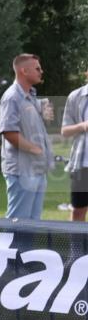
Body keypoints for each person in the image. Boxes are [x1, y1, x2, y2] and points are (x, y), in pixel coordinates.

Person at [0, 53, 53, 220]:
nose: (41, 71)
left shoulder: (31, 95)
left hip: (35, 168)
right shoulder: (12, 97)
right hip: (22, 170)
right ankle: (6, 247)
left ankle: (25, 248)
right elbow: (8, 132)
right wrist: (35, 149)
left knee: (32, 223)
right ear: (24, 71)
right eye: (37, 68)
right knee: (18, 223)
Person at [60, 67, 88, 222]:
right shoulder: (75, 96)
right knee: (78, 210)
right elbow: (65, 131)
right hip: (82, 165)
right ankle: (76, 247)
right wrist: (83, 126)